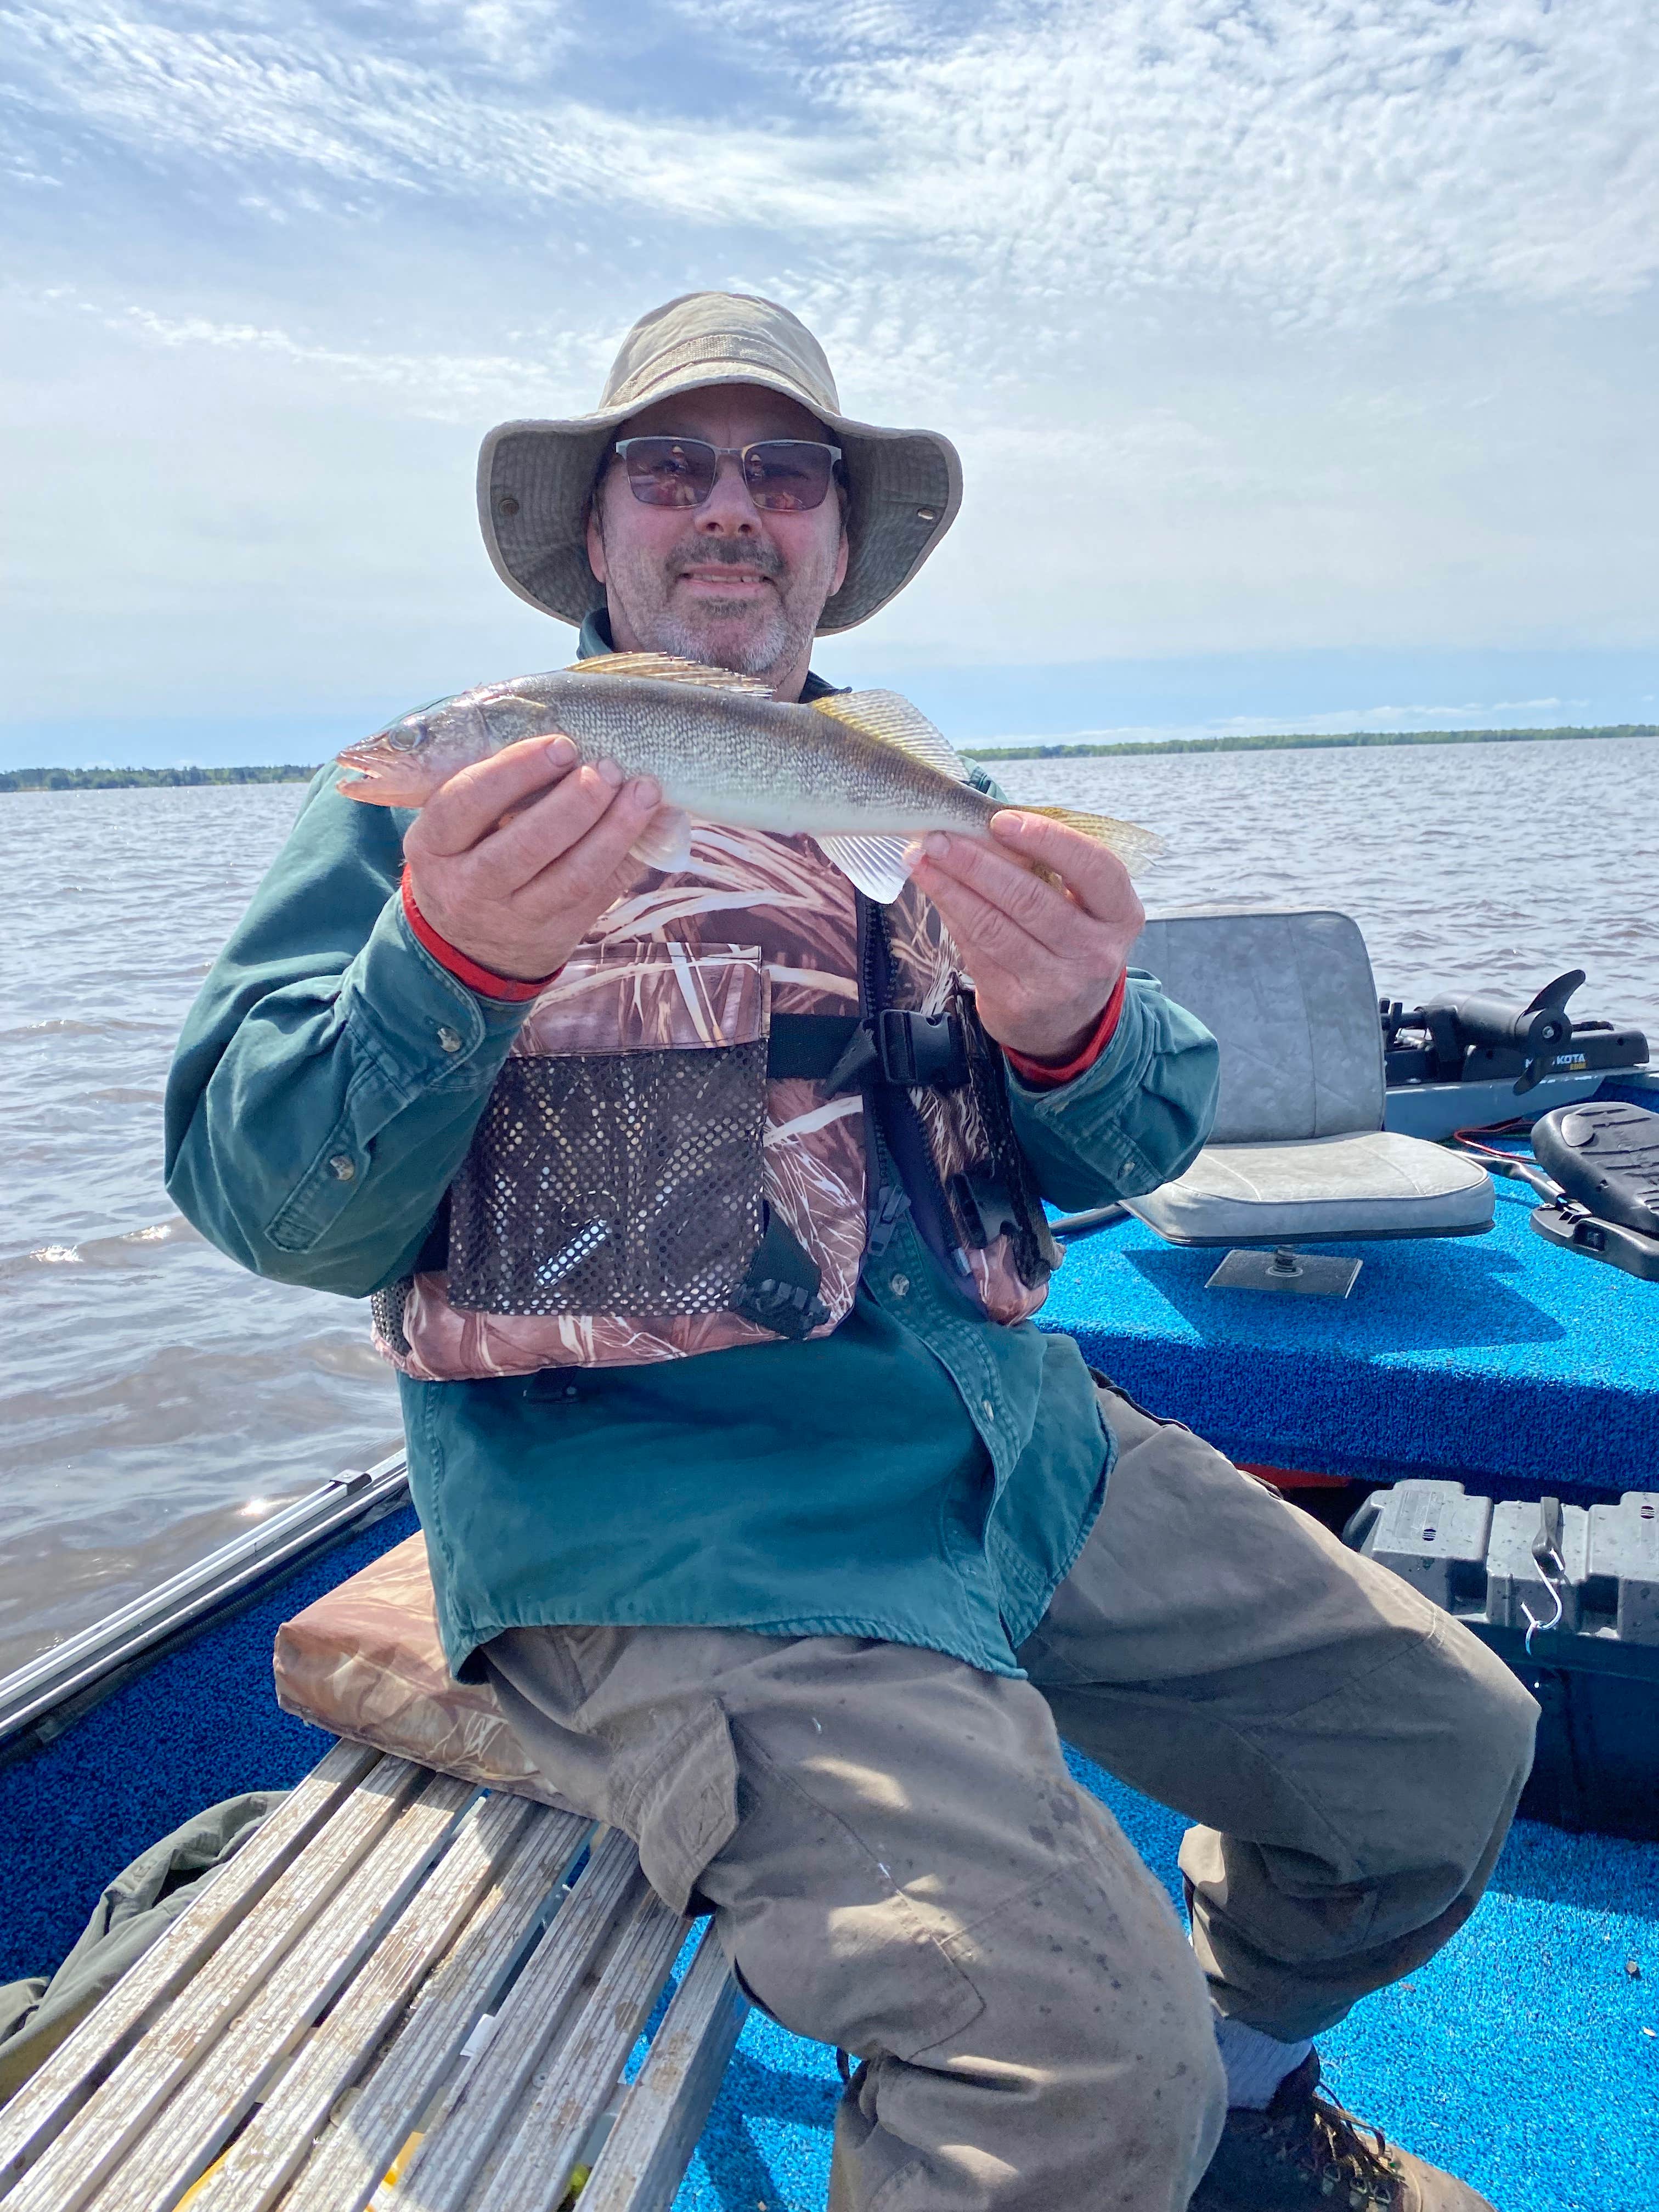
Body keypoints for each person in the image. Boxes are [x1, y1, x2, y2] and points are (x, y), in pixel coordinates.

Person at [166, 291, 1535, 2211]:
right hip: (674, 1524)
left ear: (832, 537)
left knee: (1442, 1747)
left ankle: (1236, 2102)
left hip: (1002, 1445)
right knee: (1072, 2061)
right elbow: (265, 1199)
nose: (730, 508)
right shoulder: (447, 799)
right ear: (598, 528)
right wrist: (451, 960)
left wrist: (1079, 1026)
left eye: (782, 472)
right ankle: (1141, 2117)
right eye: (671, 467)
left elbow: (1131, 1143)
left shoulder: (900, 791)